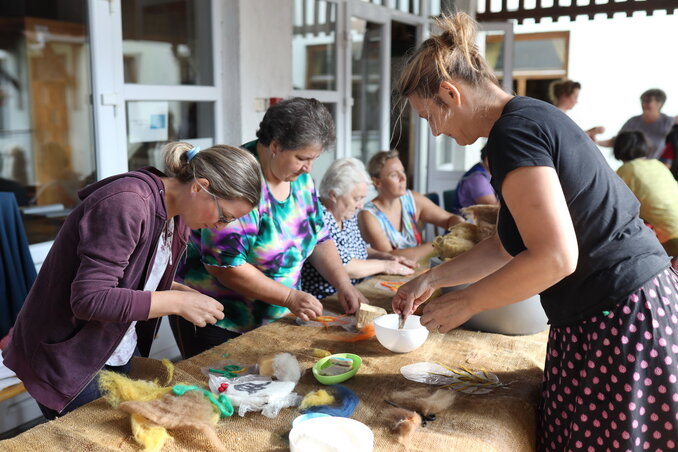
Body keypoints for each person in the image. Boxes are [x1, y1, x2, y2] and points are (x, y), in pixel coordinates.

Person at [391, 12, 678, 450]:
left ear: (451, 93)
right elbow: (509, 245)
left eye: (431, 116)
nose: (436, 131)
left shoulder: (513, 133)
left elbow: (556, 257)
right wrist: (430, 278)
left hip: (621, 317)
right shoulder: (529, 116)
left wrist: (466, 302)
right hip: (619, 307)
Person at [3, 142, 262, 419]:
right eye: (224, 216)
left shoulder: (179, 214)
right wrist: (174, 301)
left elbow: (135, 275)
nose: (220, 227)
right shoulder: (127, 203)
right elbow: (90, 299)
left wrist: (179, 291)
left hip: (113, 344)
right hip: (69, 355)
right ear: (199, 187)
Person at [173, 98, 367, 359]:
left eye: (313, 159)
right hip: (222, 321)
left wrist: (344, 285)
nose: (309, 168)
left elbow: (319, 236)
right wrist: (289, 297)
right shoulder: (238, 178)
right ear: (275, 145)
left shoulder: (301, 180)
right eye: (302, 158)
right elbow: (225, 266)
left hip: (278, 319)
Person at [300, 158, 416, 299]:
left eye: (362, 198)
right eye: (356, 198)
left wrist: (386, 256)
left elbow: (357, 249)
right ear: (333, 195)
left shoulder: (345, 213)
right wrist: (386, 265)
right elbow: (345, 267)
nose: (361, 205)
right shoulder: (318, 217)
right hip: (326, 299)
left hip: (357, 289)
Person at [358, 150, 463, 262]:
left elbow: (451, 219)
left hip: (419, 268)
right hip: (389, 276)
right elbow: (390, 257)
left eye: (402, 171)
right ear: (377, 182)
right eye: (394, 175)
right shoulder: (368, 215)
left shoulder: (412, 199)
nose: (403, 178)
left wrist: (458, 230)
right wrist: (441, 244)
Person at [613, 131, 678, 260]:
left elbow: (615, 204)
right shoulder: (658, 164)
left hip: (670, 236)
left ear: (620, 149)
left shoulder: (625, 170)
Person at [598, 88, 677, 158]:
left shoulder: (668, 122)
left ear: (659, 103)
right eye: (642, 101)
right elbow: (617, 141)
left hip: (659, 167)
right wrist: (596, 142)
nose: (643, 104)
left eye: (647, 101)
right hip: (635, 166)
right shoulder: (633, 122)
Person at [449, 145, 498, 214]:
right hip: (465, 222)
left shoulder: (485, 172)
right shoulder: (477, 178)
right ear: (488, 160)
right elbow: (493, 208)